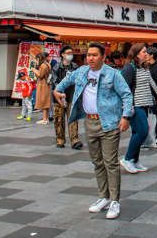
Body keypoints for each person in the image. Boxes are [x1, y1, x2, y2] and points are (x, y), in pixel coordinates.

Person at [53, 42, 133, 220]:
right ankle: (103, 197)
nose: (90, 58)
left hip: (109, 122)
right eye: (88, 55)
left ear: (103, 57)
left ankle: (114, 200)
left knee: (110, 163)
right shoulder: (81, 71)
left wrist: (126, 116)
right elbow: (63, 83)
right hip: (90, 122)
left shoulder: (113, 74)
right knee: (97, 162)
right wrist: (57, 92)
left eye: (95, 55)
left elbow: (127, 94)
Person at [120, 43, 157, 173]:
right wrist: (128, 107)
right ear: (136, 54)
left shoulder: (144, 67)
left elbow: (151, 82)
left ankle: (135, 160)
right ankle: (127, 159)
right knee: (143, 132)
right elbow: (124, 89)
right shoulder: (129, 68)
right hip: (135, 105)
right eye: (144, 52)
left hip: (145, 104)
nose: (146, 54)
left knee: (137, 133)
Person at [53, 46, 82, 149]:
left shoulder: (75, 67)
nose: (70, 55)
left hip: (72, 96)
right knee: (59, 119)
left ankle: (75, 140)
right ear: (62, 55)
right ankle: (60, 139)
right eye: (68, 53)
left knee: (73, 118)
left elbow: (79, 79)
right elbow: (54, 81)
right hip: (59, 98)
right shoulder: (57, 67)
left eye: (71, 53)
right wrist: (60, 93)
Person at [145, 47, 157, 146]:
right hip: (146, 94)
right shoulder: (146, 66)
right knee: (146, 116)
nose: (145, 55)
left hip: (155, 95)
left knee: (155, 115)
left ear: (152, 55)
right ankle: (148, 137)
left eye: (147, 54)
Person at [34, 53, 52, 125]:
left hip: (43, 85)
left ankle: (44, 119)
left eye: (36, 59)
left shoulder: (43, 65)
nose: (36, 60)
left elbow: (40, 75)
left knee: (44, 102)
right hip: (46, 85)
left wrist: (34, 70)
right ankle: (46, 118)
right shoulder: (47, 64)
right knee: (46, 102)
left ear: (39, 58)